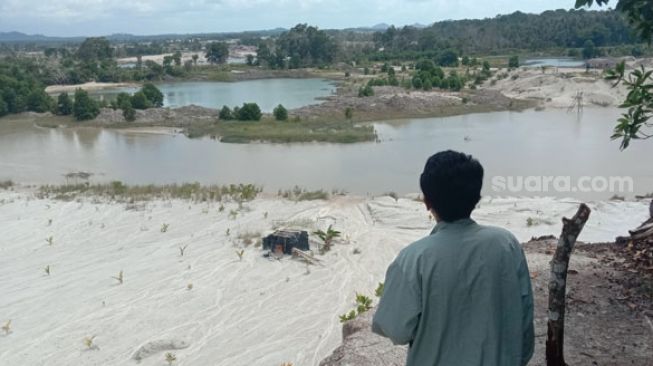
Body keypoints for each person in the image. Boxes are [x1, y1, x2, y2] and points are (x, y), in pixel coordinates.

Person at [372, 150, 534, 366]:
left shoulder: (413, 259)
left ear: (427, 202)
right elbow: (524, 318)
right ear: (476, 198)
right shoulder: (506, 244)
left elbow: (395, 330)